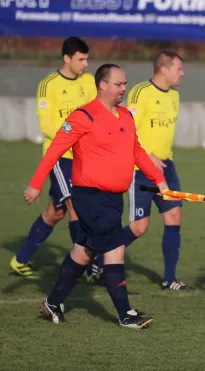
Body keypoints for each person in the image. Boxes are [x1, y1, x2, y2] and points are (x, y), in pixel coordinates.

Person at [23, 63, 168, 328]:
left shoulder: (125, 116)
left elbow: (136, 151)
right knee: (115, 249)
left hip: (114, 199)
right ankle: (126, 315)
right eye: (119, 84)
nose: (124, 88)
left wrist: (159, 180)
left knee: (84, 250)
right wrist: (35, 184)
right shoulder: (82, 117)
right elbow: (54, 152)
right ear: (103, 85)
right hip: (91, 197)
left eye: (125, 84)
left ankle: (52, 303)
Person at [87, 51, 187, 291]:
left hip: (166, 166)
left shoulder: (174, 96)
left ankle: (169, 279)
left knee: (174, 218)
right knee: (139, 228)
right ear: (164, 70)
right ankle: (99, 259)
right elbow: (128, 128)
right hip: (140, 169)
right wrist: (149, 154)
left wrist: (161, 158)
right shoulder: (141, 93)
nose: (182, 73)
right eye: (179, 68)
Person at [10, 37, 96, 279]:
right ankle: (86, 267)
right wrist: (79, 135)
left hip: (85, 156)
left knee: (54, 212)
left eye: (87, 59)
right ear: (66, 58)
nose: (85, 64)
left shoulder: (88, 82)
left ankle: (20, 260)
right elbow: (48, 125)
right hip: (60, 156)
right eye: (81, 59)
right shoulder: (49, 85)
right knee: (75, 208)